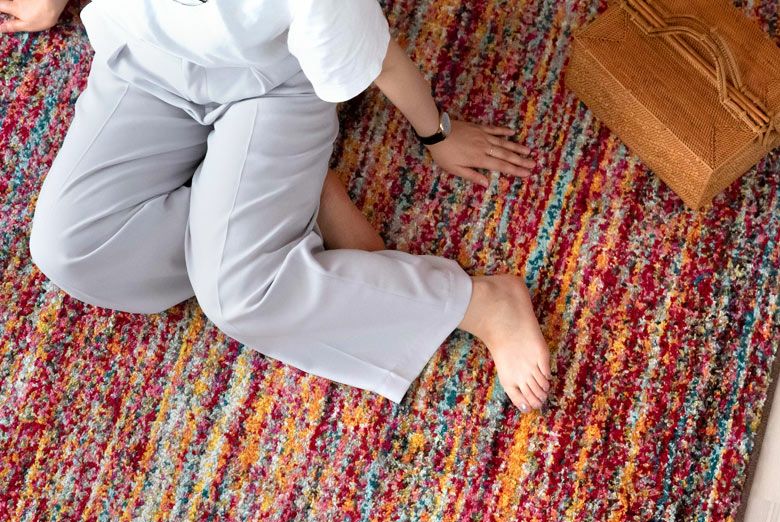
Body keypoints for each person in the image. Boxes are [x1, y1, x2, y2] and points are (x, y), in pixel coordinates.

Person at [3, 0, 552, 411]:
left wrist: (438, 134)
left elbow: (379, 57)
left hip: (270, 83)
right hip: (143, 59)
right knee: (69, 249)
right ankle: (290, 194)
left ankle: (480, 302)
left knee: (239, 295)